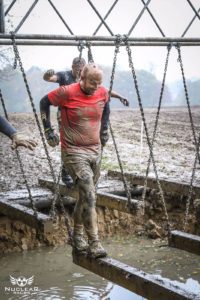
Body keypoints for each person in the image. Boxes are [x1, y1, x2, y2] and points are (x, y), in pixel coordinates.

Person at [40, 63, 126, 258]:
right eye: (92, 82)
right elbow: (44, 102)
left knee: (86, 195)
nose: (95, 86)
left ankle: (77, 236)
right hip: (73, 151)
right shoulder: (66, 91)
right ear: (82, 78)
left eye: (99, 83)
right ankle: (94, 242)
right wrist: (48, 130)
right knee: (90, 196)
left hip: (95, 151)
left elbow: (106, 108)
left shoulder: (102, 92)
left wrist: (104, 130)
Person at [43, 57, 129, 187]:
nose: (78, 72)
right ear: (72, 67)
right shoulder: (64, 76)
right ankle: (67, 172)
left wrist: (120, 97)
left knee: (87, 142)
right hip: (68, 114)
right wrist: (47, 76)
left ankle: (84, 170)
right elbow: (51, 79)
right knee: (71, 143)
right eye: (77, 70)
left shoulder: (90, 79)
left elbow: (104, 90)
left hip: (86, 114)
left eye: (81, 70)